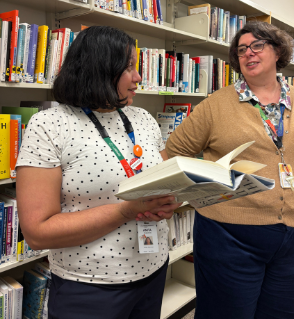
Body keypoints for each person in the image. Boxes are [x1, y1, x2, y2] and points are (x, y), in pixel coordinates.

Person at [163, 21, 294, 319]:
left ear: (278, 51)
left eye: (257, 45)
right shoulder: (214, 106)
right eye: (241, 49)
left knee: (284, 312)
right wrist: (200, 192)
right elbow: (173, 154)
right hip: (229, 235)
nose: (248, 53)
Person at [16, 26, 181, 319]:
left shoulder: (142, 118)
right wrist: (125, 211)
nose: (139, 77)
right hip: (90, 287)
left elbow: (166, 178)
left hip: (153, 270)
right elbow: (37, 232)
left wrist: (171, 200)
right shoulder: (50, 126)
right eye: (129, 67)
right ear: (100, 68)